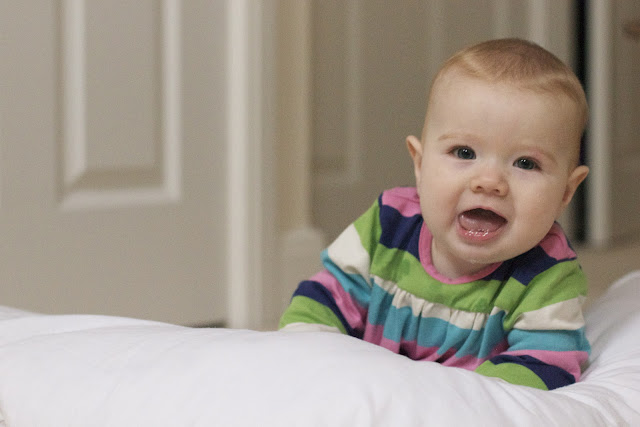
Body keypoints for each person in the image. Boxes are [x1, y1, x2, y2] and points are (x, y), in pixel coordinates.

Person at [279, 38, 591, 391]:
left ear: (566, 192)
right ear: (420, 163)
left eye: (525, 163)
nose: (489, 182)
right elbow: (323, 302)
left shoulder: (548, 274)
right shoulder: (388, 225)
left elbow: (544, 365)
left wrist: (452, 403)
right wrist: (311, 366)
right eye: (464, 152)